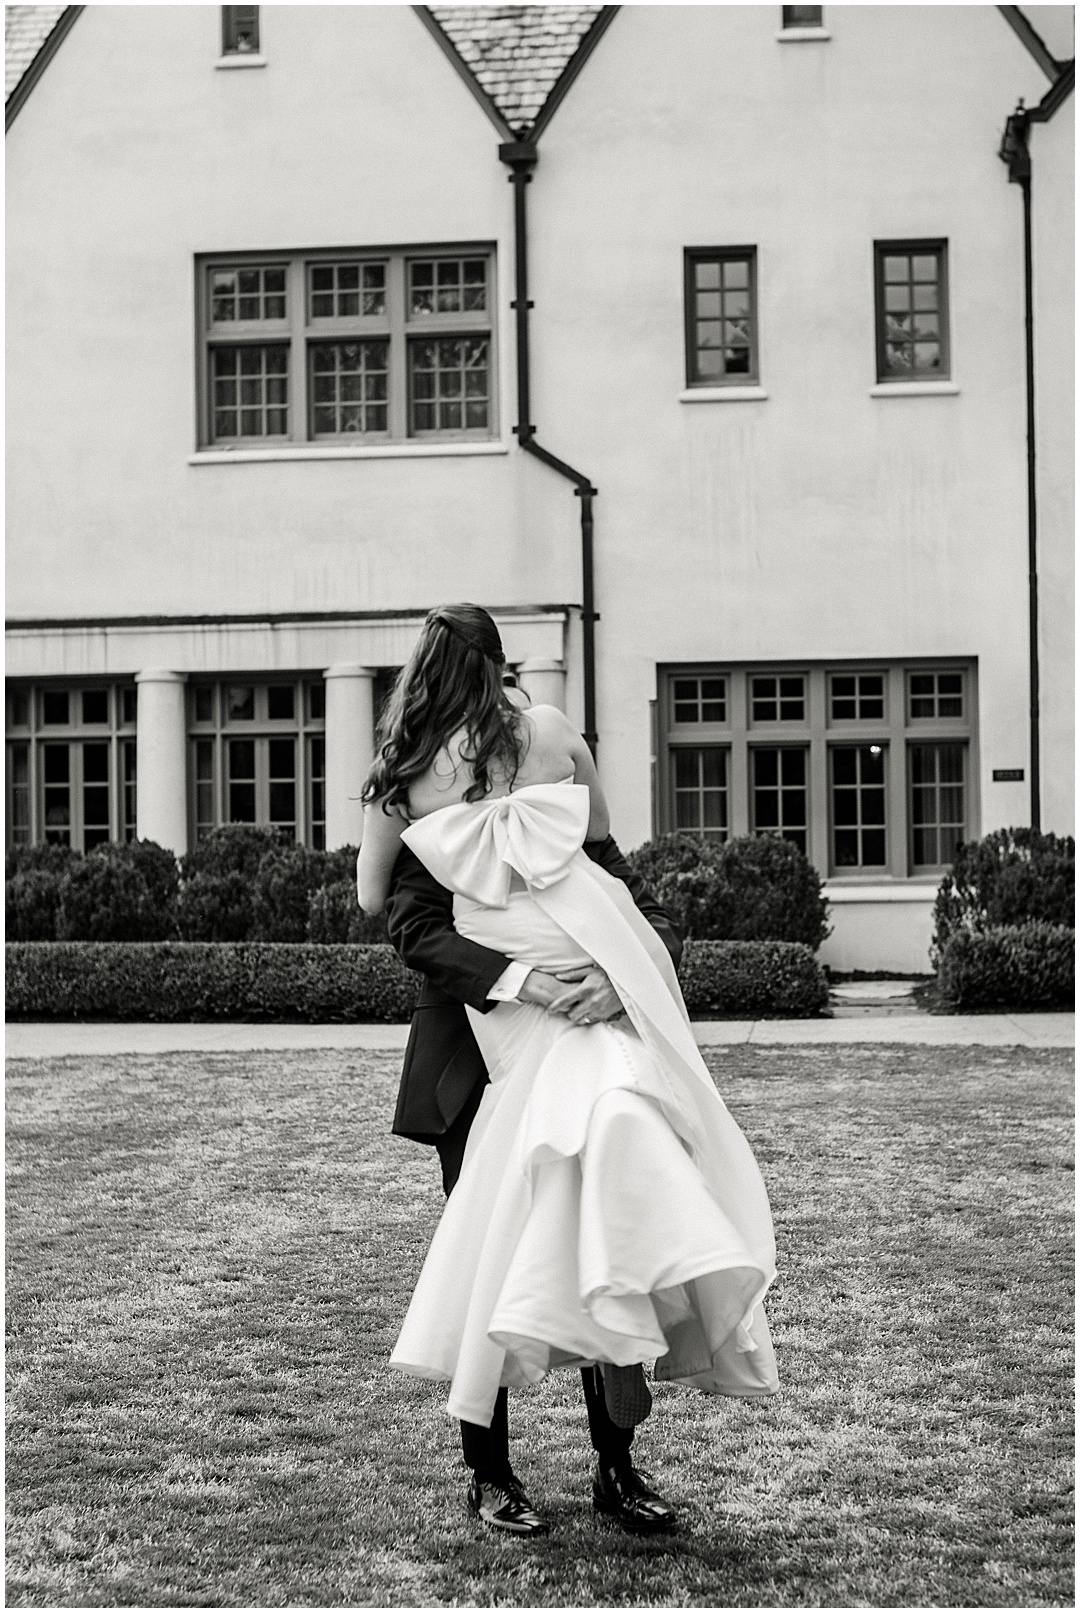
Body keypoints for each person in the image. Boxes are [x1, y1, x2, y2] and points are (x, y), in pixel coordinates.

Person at [358, 604, 779, 1538]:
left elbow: (633, 894)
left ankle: (617, 1466)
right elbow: (405, 921)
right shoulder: (410, 779)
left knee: (609, 1228)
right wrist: (523, 980)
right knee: (488, 1254)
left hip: (591, 1035)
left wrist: (615, 975)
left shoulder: (551, 748)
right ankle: (489, 1472)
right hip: (476, 1055)